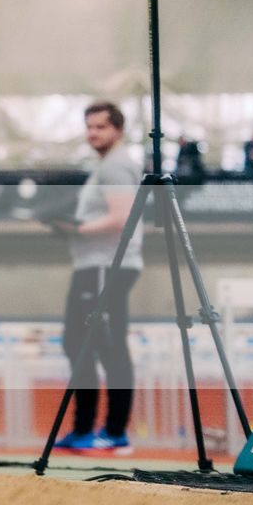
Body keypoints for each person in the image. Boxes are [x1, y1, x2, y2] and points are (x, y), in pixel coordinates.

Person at [44, 101, 142, 453]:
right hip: (93, 267)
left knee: (108, 346)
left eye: (100, 127)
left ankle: (115, 432)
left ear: (117, 129)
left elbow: (122, 217)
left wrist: (78, 228)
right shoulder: (104, 167)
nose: (92, 133)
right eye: (89, 127)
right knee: (77, 344)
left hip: (107, 266)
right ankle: (84, 428)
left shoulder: (116, 167)